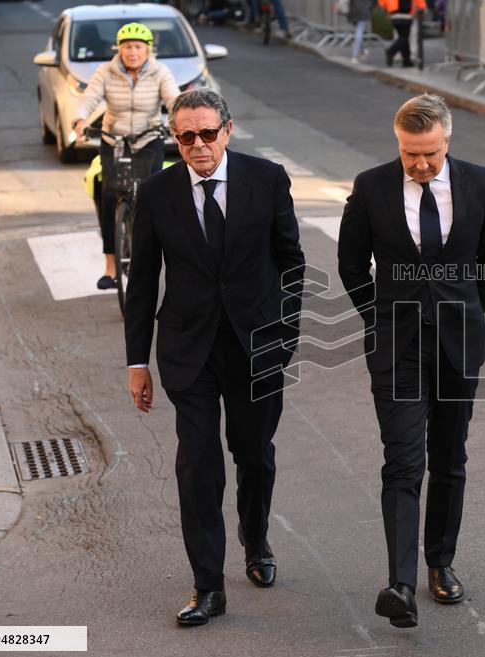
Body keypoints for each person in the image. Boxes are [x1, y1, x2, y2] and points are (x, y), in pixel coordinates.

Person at [124, 89, 305, 626]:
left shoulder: (267, 179)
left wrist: (284, 335)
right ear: (175, 139)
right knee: (198, 465)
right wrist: (137, 362)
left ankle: (256, 539)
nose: (198, 145)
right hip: (189, 349)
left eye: (207, 133)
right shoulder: (156, 193)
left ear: (228, 129)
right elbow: (142, 282)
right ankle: (207, 585)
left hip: (257, 344)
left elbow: (291, 262)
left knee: (254, 454)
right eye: (186, 137)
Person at [338, 94, 485, 628]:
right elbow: (350, 265)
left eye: (430, 153)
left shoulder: (480, 183)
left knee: (450, 458)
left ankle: (440, 563)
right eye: (410, 153)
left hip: (458, 344)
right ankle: (401, 585)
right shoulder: (371, 187)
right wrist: (380, 318)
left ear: (447, 141)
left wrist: (465, 311)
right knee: (404, 462)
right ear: (398, 143)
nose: (420, 164)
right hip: (398, 348)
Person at [73, 23, 179, 291]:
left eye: (138, 47)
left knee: (154, 195)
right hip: (114, 139)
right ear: (119, 49)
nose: (133, 52)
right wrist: (80, 120)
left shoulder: (160, 71)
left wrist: (180, 120)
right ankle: (110, 268)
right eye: (127, 47)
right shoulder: (106, 71)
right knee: (109, 196)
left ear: (148, 49)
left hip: (148, 138)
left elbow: (173, 99)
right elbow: (89, 98)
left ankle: (163, 252)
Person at [379, 0, 425, 68]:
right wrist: (421, 8)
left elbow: (382, 2)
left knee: (403, 37)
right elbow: (419, 2)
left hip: (393, 13)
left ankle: (406, 60)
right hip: (406, 13)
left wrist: (387, 11)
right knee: (404, 37)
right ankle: (391, 51)